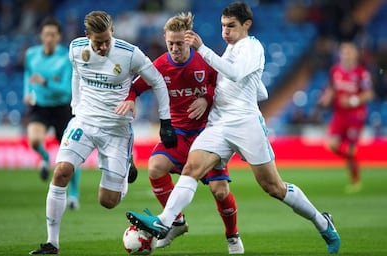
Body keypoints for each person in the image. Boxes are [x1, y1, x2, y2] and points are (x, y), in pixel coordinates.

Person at [126, 2, 341, 254]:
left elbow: (237, 74)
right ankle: (165, 222)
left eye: (231, 26)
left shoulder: (252, 47)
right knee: (192, 168)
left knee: (273, 186)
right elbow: (256, 87)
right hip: (219, 123)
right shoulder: (230, 49)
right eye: (222, 26)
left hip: (245, 124)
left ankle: (321, 221)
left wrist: (203, 49)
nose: (225, 31)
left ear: (246, 25)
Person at [29, 11, 176, 255]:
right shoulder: (76, 48)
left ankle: (125, 165)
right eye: (98, 42)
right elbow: (77, 73)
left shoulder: (130, 54)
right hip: (84, 123)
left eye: (108, 40)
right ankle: (51, 243)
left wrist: (165, 121)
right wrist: (75, 107)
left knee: (108, 201)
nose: (104, 46)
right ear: (87, 36)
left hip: (116, 131)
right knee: (62, 171)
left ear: (113, 34)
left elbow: (158, 81)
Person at [125, 12, 244, 254]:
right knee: (155, 166)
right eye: (171, 44)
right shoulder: (159, 66)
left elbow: (224, 85)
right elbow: (135, 87)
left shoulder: (204, 61)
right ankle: (176, 221)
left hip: (207, 133)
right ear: (165, 40)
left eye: (180, 43)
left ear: (188, 40)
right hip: (178, 134)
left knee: (220, 191)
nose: (176, 48)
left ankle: (232, 236)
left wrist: (206, 97)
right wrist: (130, 100)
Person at [23, 17, 82, 209]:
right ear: (41, 35)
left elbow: (66, 90)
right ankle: (46, 158)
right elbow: (28, 75)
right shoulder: (31, 55)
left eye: (53, 35)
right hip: (40, 106)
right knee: (34, 141)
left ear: (59, 37)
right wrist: (27, 93)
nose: (49, 38)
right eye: (46, 34)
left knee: (70, 154)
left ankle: (73, 194)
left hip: (61, 109)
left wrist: (45, 82)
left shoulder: (65, 58)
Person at [319, 41, 374, 194]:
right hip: (339, 114)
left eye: (349, 52)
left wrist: (353, 100)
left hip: (355, 115)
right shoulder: (335, 70)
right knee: (331, 145)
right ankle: (352, 161)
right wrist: (327, 96)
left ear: (355, 54)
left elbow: (369, 94)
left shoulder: (361, 73)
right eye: (344, 52)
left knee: (350, 149)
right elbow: (332, 87)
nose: (346, 55)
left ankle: (355, 179)